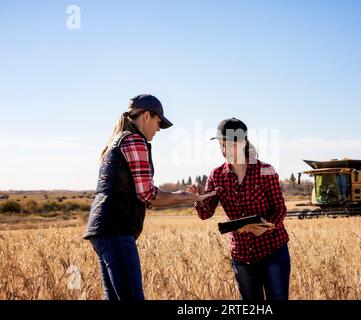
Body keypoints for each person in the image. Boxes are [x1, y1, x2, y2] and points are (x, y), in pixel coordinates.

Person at [83, 94, 214, 300]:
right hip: (117, 230)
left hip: (101, 231)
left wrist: (182, 198)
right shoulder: (135, 140)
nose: (159, 128)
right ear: (145, 116)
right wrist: (185, 197)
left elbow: (139, 196)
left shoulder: (117, 141)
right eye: (158, 121)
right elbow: (148, 195)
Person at [187, 118, 291, 301]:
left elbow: (279, 208)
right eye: (222, 145)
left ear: (243, 143)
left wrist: (266, 226)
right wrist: (198, 199)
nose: (225, 150)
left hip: (273, 251)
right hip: (242, 256)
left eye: (230, 145)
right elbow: (206, 213)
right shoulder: (217, 175)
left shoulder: (265, 170)